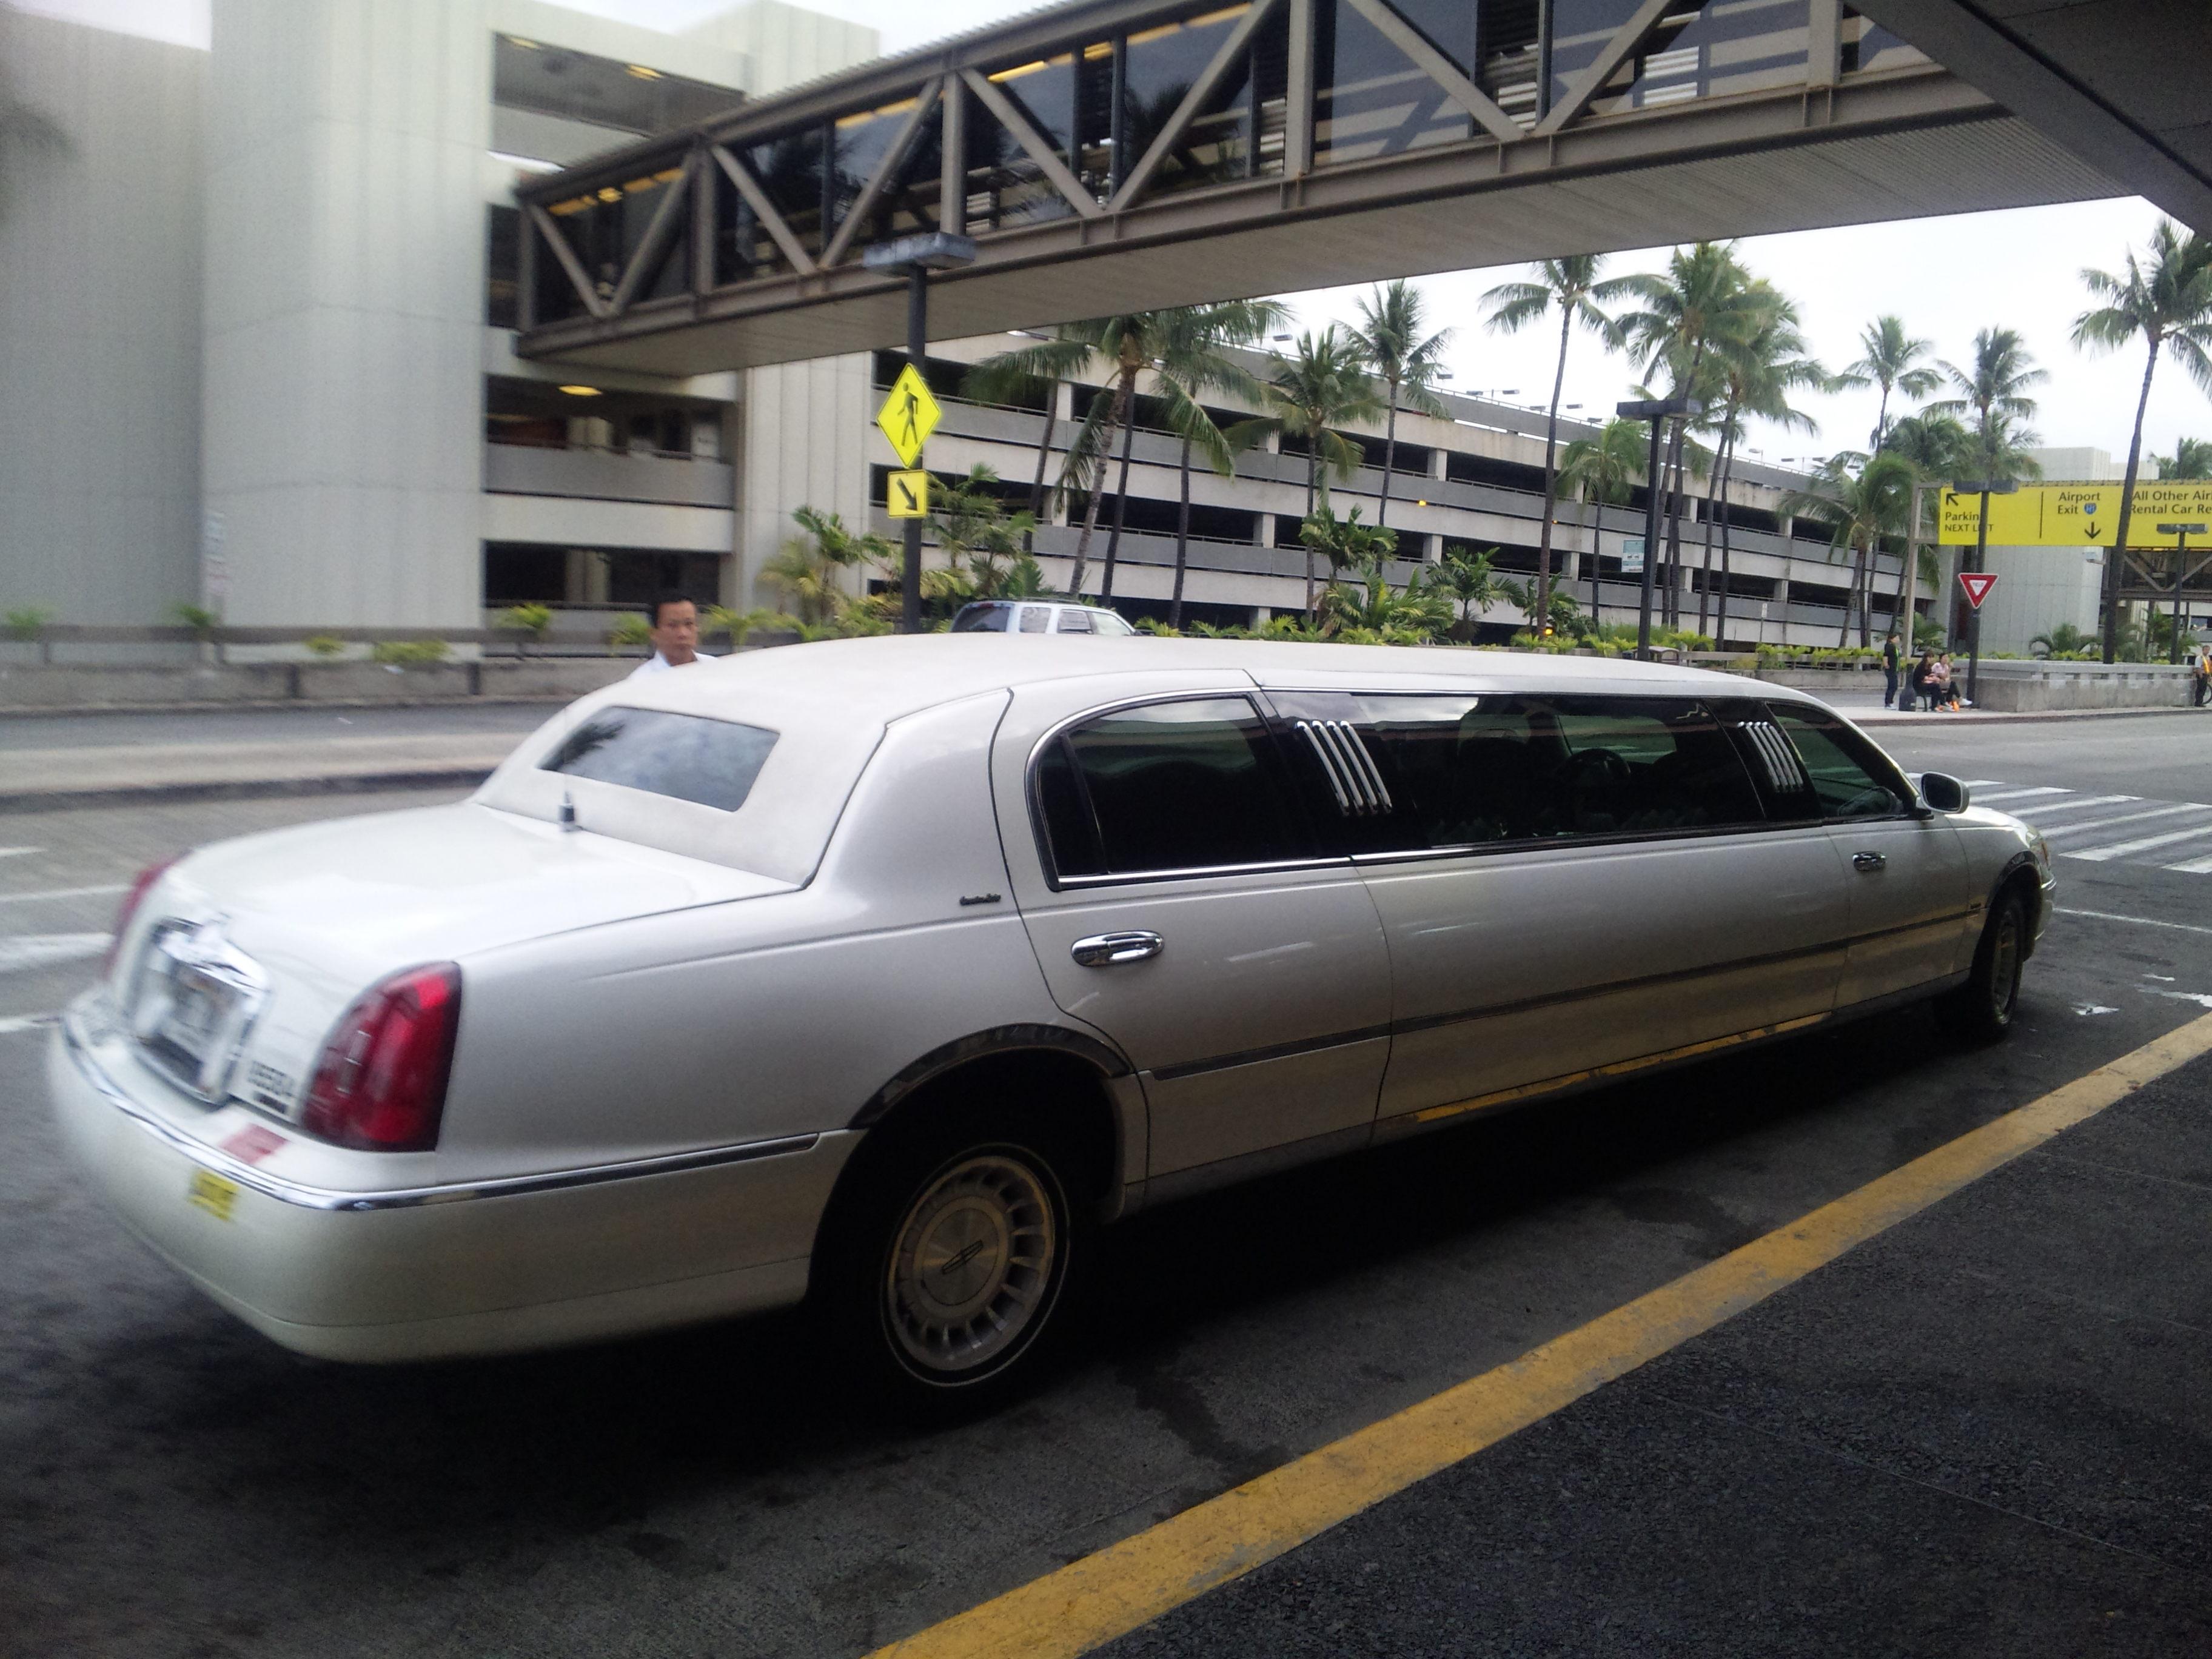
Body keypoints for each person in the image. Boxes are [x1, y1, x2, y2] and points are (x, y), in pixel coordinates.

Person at [628, 592, 716, 680]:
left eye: (689, 624)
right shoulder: (641, 680)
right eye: (672, 625)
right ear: (654, 633)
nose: (683, 633)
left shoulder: (715, 668)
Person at [1882, 629, 1902, 709]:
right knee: (1892, 686)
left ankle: (1890, 701)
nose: (1898, 640)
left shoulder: (1895, 647)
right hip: (1891, 670)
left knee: (1894, 686)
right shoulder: (1890, 646)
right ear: (1892, 639)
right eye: (1896, 638)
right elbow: (1885, 655)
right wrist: (1886, 664)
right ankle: (1888, 702)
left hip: (1894, 669)